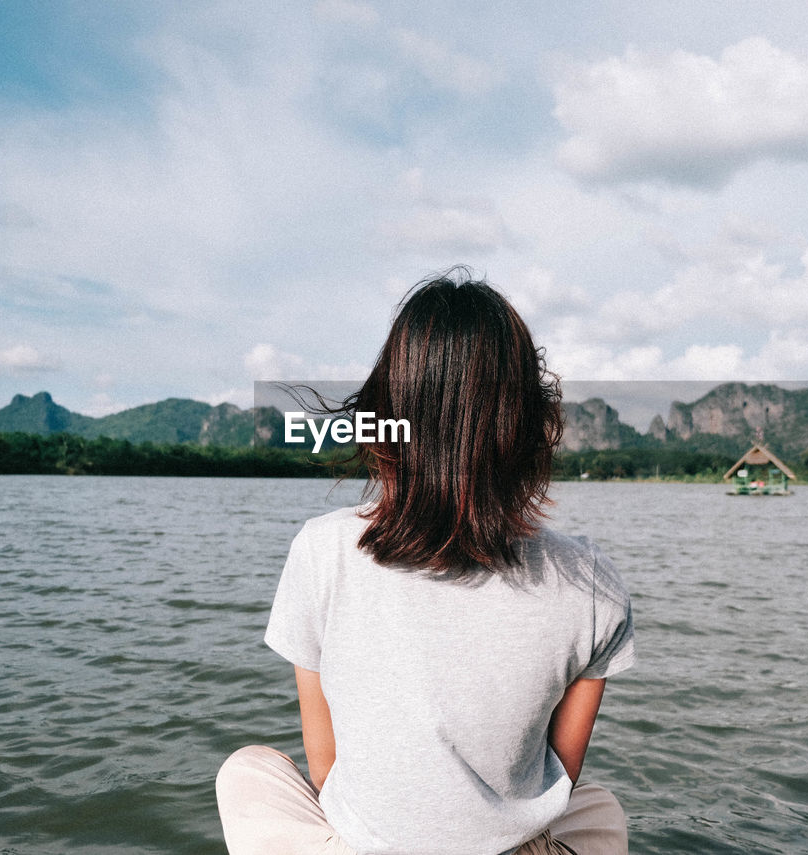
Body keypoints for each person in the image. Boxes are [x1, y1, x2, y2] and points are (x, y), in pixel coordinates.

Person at [216, 270, 635, 855]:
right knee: (598, 807)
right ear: (524, 426)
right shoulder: (591, 580)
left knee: (248, 769)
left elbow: (325, 766)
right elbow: (561, 775)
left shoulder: (322, 550)